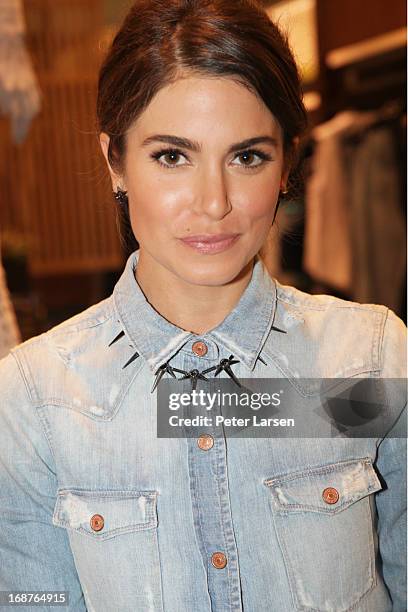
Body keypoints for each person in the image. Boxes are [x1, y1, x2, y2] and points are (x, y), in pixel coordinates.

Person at [0, 1, 406, 611]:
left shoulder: (370, 356)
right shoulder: (36, 396)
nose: (214, 202)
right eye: (172, 156)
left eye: (247, 157)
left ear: (286, 163)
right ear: (116, 161)